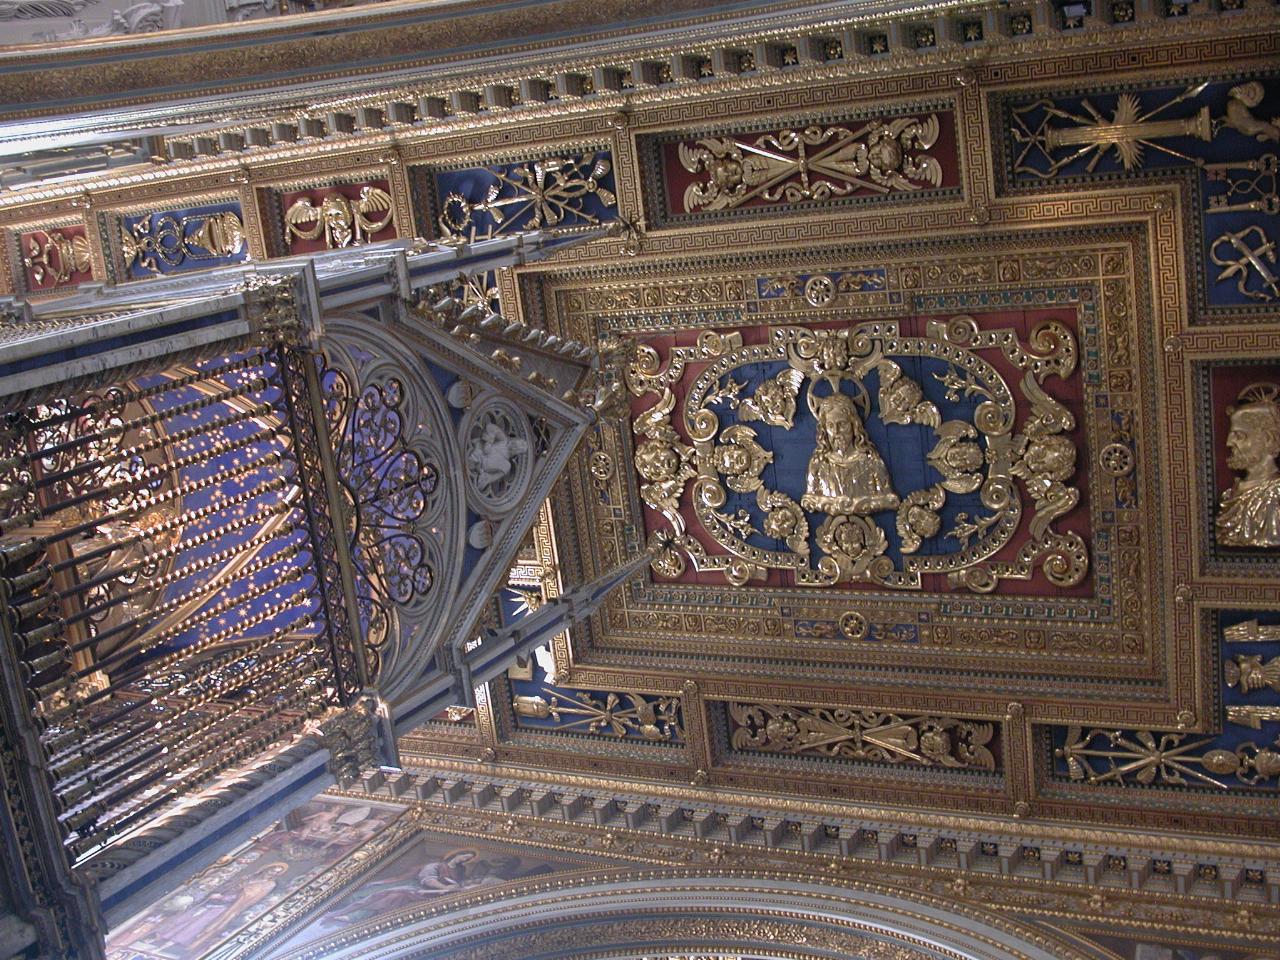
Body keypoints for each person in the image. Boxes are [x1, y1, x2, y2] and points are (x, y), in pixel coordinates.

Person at [801, 391, 898, 515]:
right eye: (830, 425)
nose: (836, 432)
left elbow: (890, 500)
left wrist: (856, 505)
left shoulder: (871, 462)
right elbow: (809, 501)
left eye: (842, 424)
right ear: (824, 429)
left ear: (854, 425)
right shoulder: (818, 464)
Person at [1217, 383, 1280, 547]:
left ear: (1268, 439)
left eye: (1239, 435)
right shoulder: (1230, 496)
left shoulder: (1276, 495)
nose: (1229, 443)